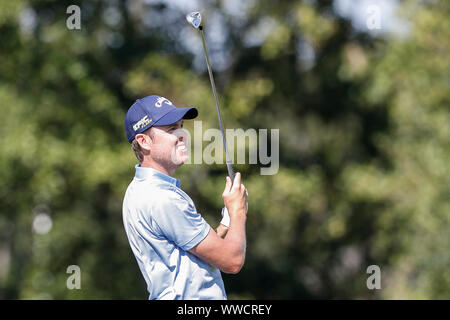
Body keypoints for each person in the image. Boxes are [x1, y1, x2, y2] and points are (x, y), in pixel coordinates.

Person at [122, 95, 248, 300]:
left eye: (181, 127)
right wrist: (238, 212)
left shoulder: (139, 190)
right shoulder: (161, 197)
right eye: (172, 129)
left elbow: (194, 252)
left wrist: (227, 222)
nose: (182, 135)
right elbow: (232, 261)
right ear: (143, 141)